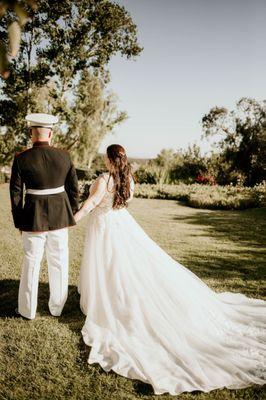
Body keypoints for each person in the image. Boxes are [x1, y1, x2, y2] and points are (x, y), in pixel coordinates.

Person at [74, 143, 266, 396]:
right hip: (120, 223)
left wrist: (70, 220)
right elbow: (126, 201)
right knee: (120, 264)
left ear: (109, 160)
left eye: (105, 158)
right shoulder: (129, 179)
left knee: (109, 262)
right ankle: (115, 292)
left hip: (104, 227)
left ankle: (109, 298)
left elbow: (89, 205)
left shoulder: (103, 179)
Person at [9, 113, 79, 320]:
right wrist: (71, 211)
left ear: (32, 134)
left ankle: (27, 311)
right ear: (50, 133)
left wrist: (19, 220)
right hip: (60, 217)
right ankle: (57, 308)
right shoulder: (64, 156)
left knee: (31, 262)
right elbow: (73, 189)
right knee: (59, 261)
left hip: (32, 218)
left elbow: (15, 194)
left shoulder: (21, 158)